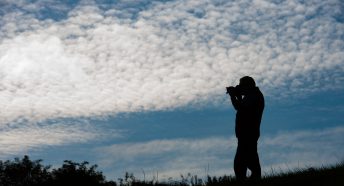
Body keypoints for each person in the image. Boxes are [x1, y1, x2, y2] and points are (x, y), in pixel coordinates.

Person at [227, 76, 264, 181]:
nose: (240, 87)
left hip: (248, 133)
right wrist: (237, 97)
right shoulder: (251, 95)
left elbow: (240, 108)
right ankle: (255, 179)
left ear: (248, 85)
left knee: (240, 163)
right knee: (250, 160)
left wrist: (233, 96)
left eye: (241, 85)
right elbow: (241, 108)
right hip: (247, 133)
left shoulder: (254, 95)